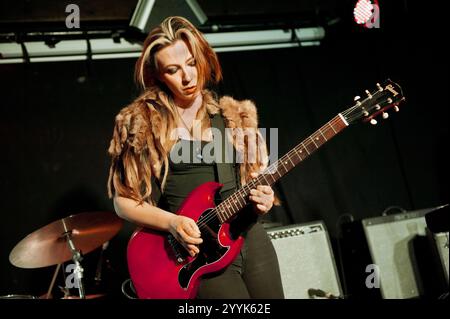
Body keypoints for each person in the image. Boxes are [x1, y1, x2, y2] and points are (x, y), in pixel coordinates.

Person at [107, 16, 284, 299]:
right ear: (158, 76)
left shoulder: (234, 116)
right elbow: (123, 201)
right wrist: (173, 223)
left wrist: (263, 198)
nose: (188, 77)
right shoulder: (141, 123)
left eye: (191, 63)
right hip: (198, 251)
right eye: (173, 70)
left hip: (251, 237)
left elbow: (256, 179)